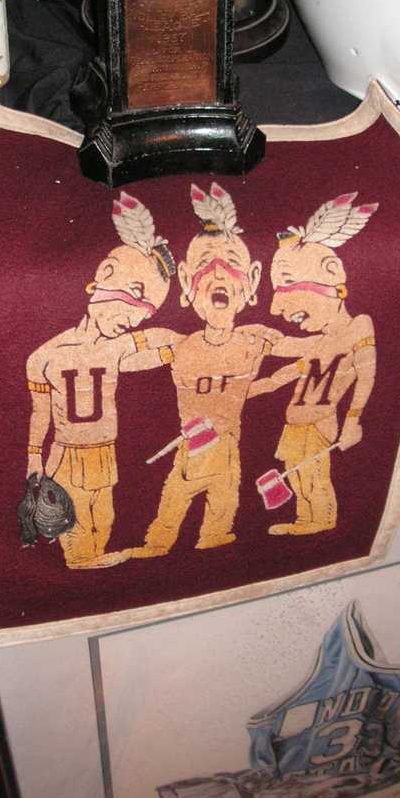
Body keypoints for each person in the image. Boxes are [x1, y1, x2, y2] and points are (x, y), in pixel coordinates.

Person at [25, 193, 176, 568]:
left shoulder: (117, 348)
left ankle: (95, 557)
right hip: (67, 452)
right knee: (72, 513)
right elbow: (40, 413)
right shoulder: (44, 356)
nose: (135, 318)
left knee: (103, 513)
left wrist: (186, 347)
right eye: (136, 298)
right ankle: (80, 560)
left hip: (103, 450)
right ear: (106, 275)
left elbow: (157, 346)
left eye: (147, 312)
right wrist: (33, 455)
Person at [131, 182, 277, 557]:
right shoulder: (180, 345)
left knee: (223, 501)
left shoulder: (253, 342)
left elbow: (251, 386)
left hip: (227, 444)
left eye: (231, 262)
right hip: (194, 443)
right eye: (204, 264)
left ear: (252, 280)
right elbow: (131, 356)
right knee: (176, 496)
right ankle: (159, 542)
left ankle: (213, 537)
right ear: (185, 280)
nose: (218, 273)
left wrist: (288, 373)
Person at [247, 192, 378, 535]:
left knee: (314, 475)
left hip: (321, 421)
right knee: (297, 474)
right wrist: (241, 390)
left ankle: (321, 521)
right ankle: (306, 520)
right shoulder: (318, 343)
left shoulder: (358, 327)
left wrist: (353, 421)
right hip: (295, 420)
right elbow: (281, 373)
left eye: (287, 283)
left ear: (332, 273)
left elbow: (366, 377)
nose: (276, 307)